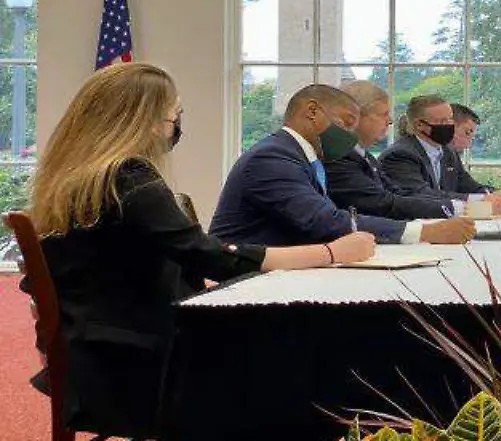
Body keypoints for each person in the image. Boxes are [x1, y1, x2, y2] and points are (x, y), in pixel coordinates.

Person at [23, 63, 376, 437]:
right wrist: (332, 252)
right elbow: (212, 257)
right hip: (135, 363)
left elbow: (141, 261)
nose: (175, 128)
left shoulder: (77, 178)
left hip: (96, 350)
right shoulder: (128, 177)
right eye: (173, 116)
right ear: (142, 120)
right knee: (291, 360)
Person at [210, 85, 475, 246]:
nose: (351, 135)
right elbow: (323, 220)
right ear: (312, 111)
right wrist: (423, 232)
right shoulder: (272, 158)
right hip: (245, 284)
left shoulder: (300, 156)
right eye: (346, 123)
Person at [326, 81, 470, 240]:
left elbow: (397, 193)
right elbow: (381, 203)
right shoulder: (338, 158)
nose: (389, 121)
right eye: (383, 114)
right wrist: (453, 208)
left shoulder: (365, 157)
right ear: (353, 117)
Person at [380, 95, 501, 209]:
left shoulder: (447, 152)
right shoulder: (400, 155)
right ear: (419, 125)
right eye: (442, 121)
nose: (449, 126)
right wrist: (486, 200)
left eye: (450, 119)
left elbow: (470, 187)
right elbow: (422, 195)